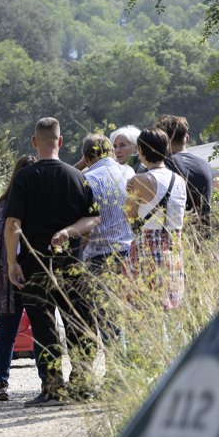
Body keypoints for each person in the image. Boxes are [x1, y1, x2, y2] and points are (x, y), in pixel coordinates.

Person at [5, 117, 100, 407]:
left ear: (35, 142)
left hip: (35, 265)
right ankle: (82, 385)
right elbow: (94, 217)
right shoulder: (78, 176)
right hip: (72, 262)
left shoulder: (24, 178)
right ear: (60, 141)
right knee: (79, 325)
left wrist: (12, 262)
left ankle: (52, 389)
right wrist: (70, 231)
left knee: (43, 328)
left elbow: (12, 223)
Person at [0, 154, 46, 401]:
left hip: (8, 275)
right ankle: (35, 382)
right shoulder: (11, 204)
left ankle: (3, 384)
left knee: (11, 332)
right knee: (31, 330)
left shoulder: (3, 204)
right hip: (22, 274)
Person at [79, 133, 135, 351]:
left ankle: (115, 369)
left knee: (106, 317)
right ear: (111, 151)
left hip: (99, 255)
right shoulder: (129, 172)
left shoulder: (88, 179)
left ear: (86, 156)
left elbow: (86, 223)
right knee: (127, 314)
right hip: (129, 252)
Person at [127, 126, 187, 309]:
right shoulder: (179, 180)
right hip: (174, 249)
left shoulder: (139, 180)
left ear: (141, 150)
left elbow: (128, 215)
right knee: (171, 309)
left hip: (148, 251)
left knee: (146, 310)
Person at [156, 114, 213, 237]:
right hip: (204, 238)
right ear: (186, 138)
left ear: (161, 140)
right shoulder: (205, 165)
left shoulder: (162, 166)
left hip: (175, 239)